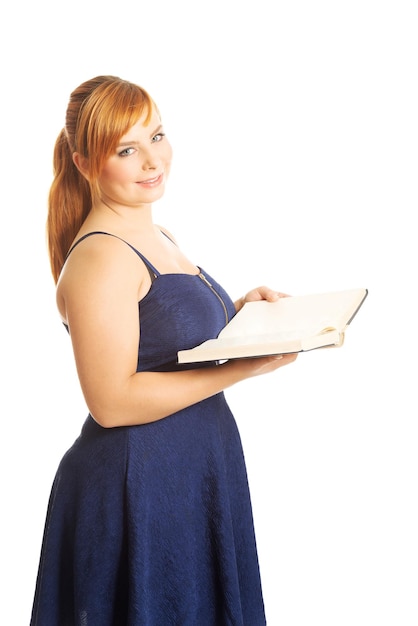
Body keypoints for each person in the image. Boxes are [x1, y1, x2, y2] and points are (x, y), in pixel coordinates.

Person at [30, 75, 297, 626]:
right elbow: (112, 401)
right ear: (85, 164)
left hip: (191, 471)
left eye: (156, 136)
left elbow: (164, 336)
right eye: (127, 150)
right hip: (139, 485)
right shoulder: (101, 258)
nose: (153, 160)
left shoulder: (160, 235)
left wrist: (243, 312)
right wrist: (239, 370)